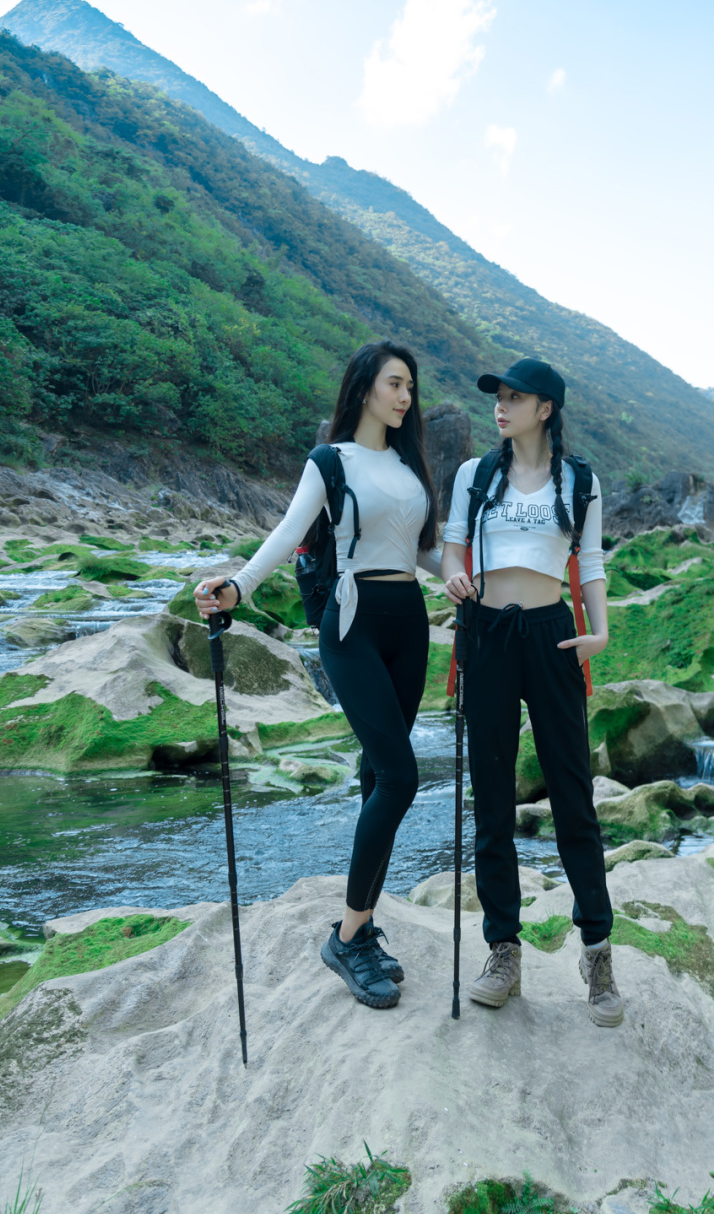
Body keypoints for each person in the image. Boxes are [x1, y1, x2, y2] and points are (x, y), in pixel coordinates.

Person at [194, 340, 439, 1010]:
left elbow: (423, 551)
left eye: (410, 387)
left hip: (410, 623)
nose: (405, 396)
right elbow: (288, 530)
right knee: (400, 776)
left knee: (378, 776)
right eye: (394, 383)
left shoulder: (409, 465)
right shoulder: (331, 460)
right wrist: (238, 587)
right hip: (353, 622)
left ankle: (363, 925)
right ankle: (349, 936)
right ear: (364, 387)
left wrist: (479, 580)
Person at [440, 357, 622, 1026]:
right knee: (491, 799)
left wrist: (599, 631)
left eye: (515, 397)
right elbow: (453, 548)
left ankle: (597, 953)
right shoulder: (474, 474)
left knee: (573, 796)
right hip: (486, 633)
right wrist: (453, 577)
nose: (501, 406)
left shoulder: (580, 480)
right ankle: (503, 951)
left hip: (552, 635)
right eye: (498, 396)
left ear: (546, 408)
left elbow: (590, 560)